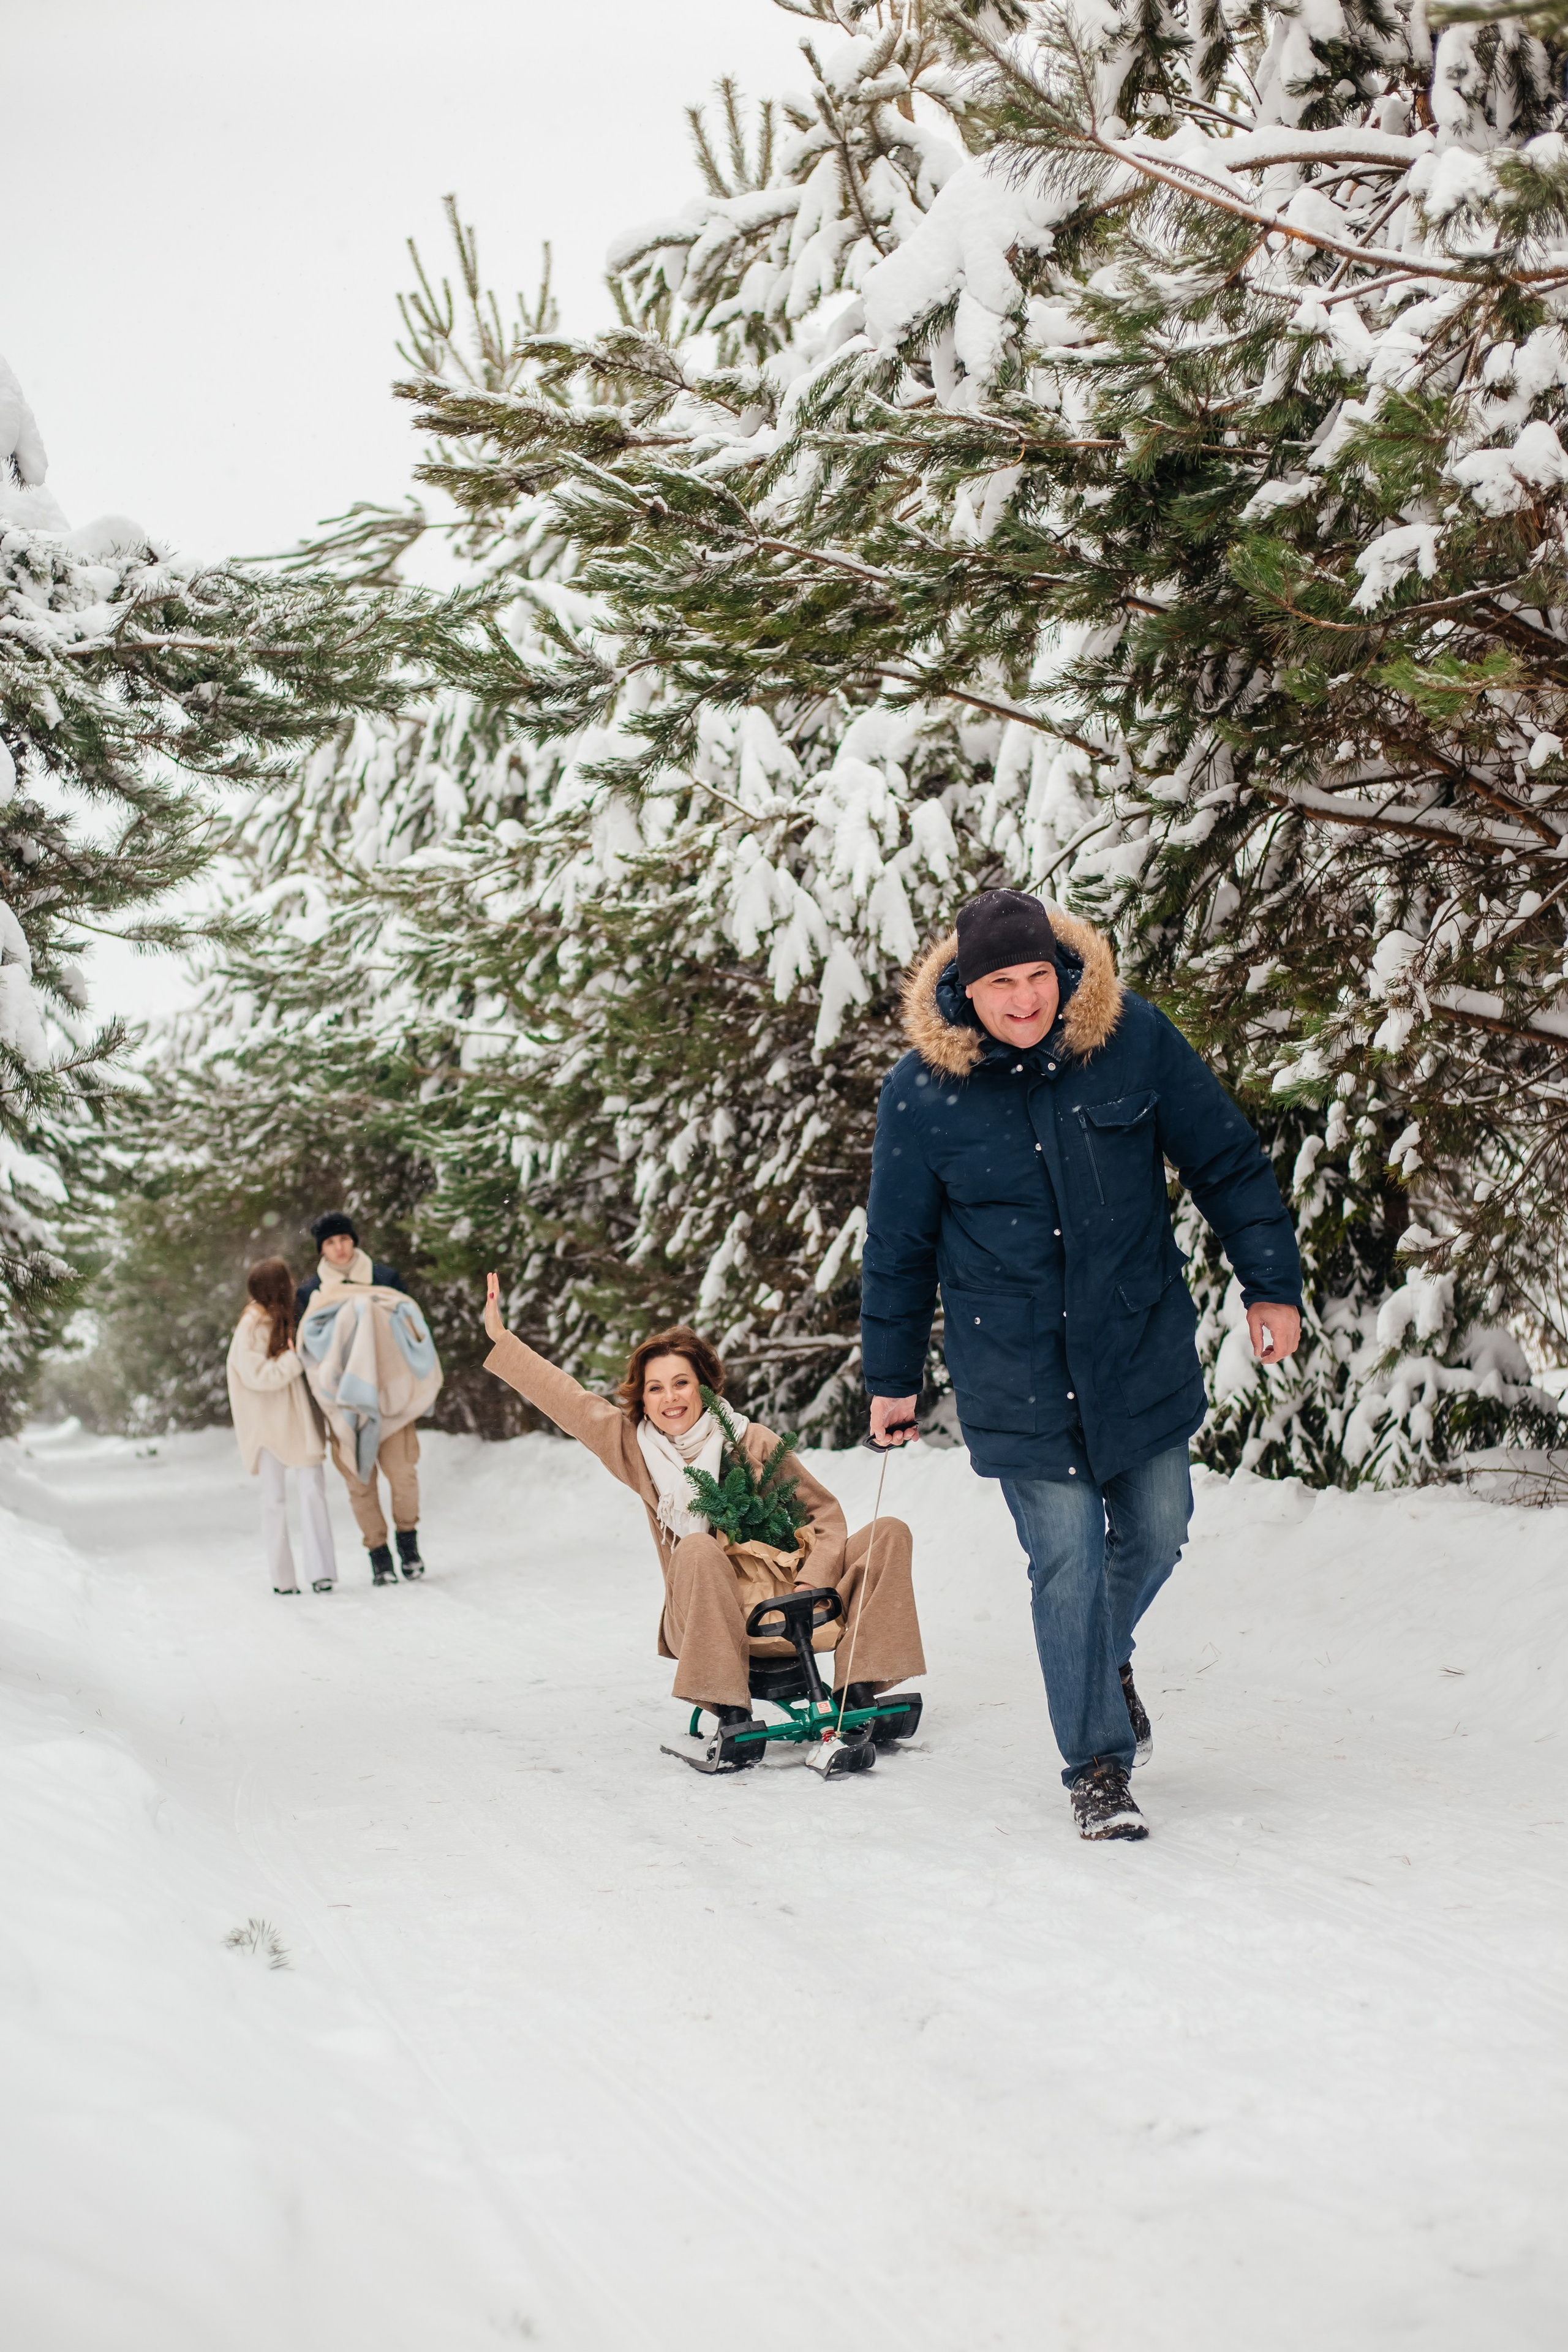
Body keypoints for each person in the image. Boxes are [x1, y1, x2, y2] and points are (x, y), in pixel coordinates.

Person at [860, 888, 1302, 1843]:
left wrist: (1270, 1283)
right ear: (962, 994)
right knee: (1065, 1559)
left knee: (1162, 1524)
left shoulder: (1132, 1039)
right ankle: (1098, 1766)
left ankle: (1102, 1660)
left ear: (1066, 974)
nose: (1024, 1002)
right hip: (1010, 1363)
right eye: (1000, 986)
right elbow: (897, 1246)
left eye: (1037, 979)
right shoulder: (922, 1091)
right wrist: (891, 1375)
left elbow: (1224, 1161)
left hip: (1134, 1344)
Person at [480, 1288, 926, 1771]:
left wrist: (811, 1581)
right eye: (655, 1388)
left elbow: (826, 1517)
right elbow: (567, 1400)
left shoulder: (752, 1441)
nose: (670, 1398)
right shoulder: (635, 1450)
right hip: (704, 1614)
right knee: (696, 1547)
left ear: (703, 1387)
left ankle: (857, 1688)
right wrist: (503, 1340)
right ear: (642, 1398)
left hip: (791, 1601)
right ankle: (731, 1710)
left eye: (681, 1383)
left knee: (889, 1532)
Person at [296, 1211, 437, 1586]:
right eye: (330, 1243)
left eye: (343, 1239)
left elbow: (412, 1329)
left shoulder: (384, 1278)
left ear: (354, 1240)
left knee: (403, 1475)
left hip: (391, 1397)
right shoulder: (312, 1293)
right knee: (360, 1481)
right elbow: (309, 1348)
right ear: (321, 1250)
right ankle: (379, 1556)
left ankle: (408, 1544)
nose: (339, 1248)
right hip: (342, 1403)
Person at [225, 1259, 337, 1597]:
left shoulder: (287, 1316)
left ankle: (322, 1573)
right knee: (274, 1500)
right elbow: (258, 1376)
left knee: (313, 1492)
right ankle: (283, 1578)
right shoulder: (251, 1326)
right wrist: (295, 1359)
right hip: (267, 1426)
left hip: (298, 1422)